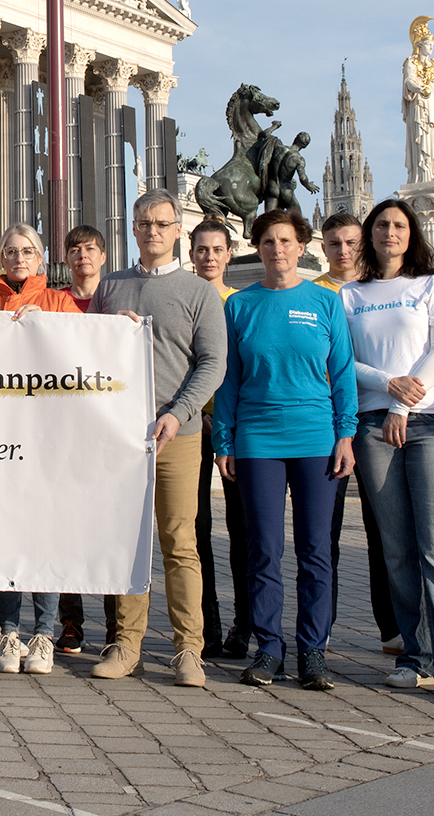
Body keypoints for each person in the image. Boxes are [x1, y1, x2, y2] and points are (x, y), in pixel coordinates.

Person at [341, 199, 434, 707]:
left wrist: (405, 404)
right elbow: (346, 360)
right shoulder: (350, 294)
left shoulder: (433, 284)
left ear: (412, 232)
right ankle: (414, 656)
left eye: (399, 225)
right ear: (369, 235)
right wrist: (387, 386)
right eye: (381, 225)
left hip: (432, 423)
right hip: (372, 421)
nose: (390, 233)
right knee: (397, 547)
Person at [214, 208, 357, 690]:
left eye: (286, 240)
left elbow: (342, 373)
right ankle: (268, 647)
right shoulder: (239, 304)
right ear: (258, 248)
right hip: (257, 440)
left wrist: (346, 435)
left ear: (302, 246)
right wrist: (225, 440)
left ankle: (313, 650)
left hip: (316, 438)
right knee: (264, 551)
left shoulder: (324, 301)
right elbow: (230, 379)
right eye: (269, 241)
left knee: (317, 551)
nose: (278, 249)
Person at [90, 190, 227, 687]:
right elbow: (88, 354)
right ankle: (127, 644)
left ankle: (189, 648)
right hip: (123, 435)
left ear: (177, 232)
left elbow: (213, 362)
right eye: (144, 222)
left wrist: (179, 413)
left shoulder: (198, 292)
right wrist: (107, 330)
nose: (152, 230)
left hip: (179, 433)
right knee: (129, 542)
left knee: (179, 541)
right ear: (133, 226)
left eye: (162, 223)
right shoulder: (111, 287)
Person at [0, 222, 81, 674]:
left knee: (45, 539)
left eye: (28, 251)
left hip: (46, 438)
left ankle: (44, 635)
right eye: (11, 251)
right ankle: (9, 634)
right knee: (8, 537)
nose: (19, 259)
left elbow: (80, 358)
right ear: (1, 257)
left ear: (41, 258)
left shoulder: (59, 302)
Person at [316, 211, 403, 659]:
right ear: (323, 246)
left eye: (351, 242)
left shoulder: (376, 292)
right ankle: (320, 629)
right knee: (322, 534)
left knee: (381, 528)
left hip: (370, 418)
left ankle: (392, 627)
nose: (344, 251)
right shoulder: (315, 293)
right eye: (334, 243)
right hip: (325, 425)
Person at [190, 218, 248, 661]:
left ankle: (244, 627)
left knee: (242, 530)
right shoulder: (184, 298)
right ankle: (206, 628)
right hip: (191, 425)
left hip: (235, 428)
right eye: (201, 249)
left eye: (217, 250)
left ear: (229, 254)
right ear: (190, 255)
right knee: (197, 531)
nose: (209, 257)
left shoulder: (240, 303)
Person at [56, 224, 109, 652]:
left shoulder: (117, 302)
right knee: (65, 529)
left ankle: (117, 627)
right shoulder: (56, 303)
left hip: (108, 430)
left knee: (111, 529)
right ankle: (70, 622)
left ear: (103, 256)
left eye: (90, 249)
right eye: (75, 250)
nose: (82, 256)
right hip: (65, 430)